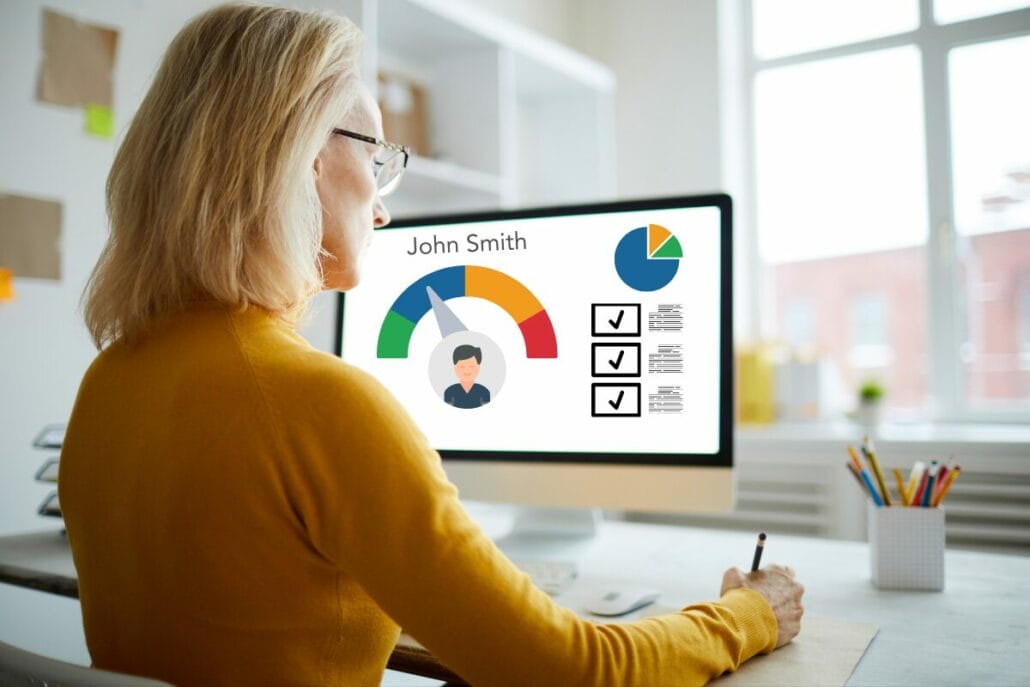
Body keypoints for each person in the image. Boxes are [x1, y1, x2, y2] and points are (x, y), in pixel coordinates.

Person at [57, 4, 804, 687]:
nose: (383, 205)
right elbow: (573, 671)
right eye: (376, 153)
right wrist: (749, 614)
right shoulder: (319, 404)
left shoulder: (108, 382)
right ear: (302, 155)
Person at [444, 344, 491, 408]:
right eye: (462, 367)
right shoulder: (449, 391)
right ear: (455, 368)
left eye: (471, 366)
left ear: (478, 368)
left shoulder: (484, 391)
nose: (467, 370)